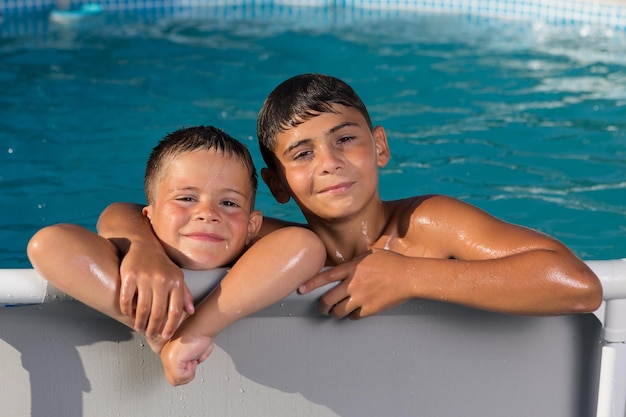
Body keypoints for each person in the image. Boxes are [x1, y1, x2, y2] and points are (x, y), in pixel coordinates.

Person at [97, 73, 602, 326]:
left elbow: (577, 285)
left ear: (379, 146)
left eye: (345, 139)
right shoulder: (274, 244)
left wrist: (411, 275)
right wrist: (141, 247)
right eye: (302, 153)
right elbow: (124, 213)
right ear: (276, 186)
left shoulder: (427, 226)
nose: (329, 163)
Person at [27, 125, 326, 385]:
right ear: (149, 217)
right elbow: (48, 243)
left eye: (230, 203)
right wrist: (143, 252)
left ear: (252, 226)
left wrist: (190, 336)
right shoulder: (131, 257)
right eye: (186, 198)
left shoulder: (257, 260)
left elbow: (306, 246)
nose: (207, 214)